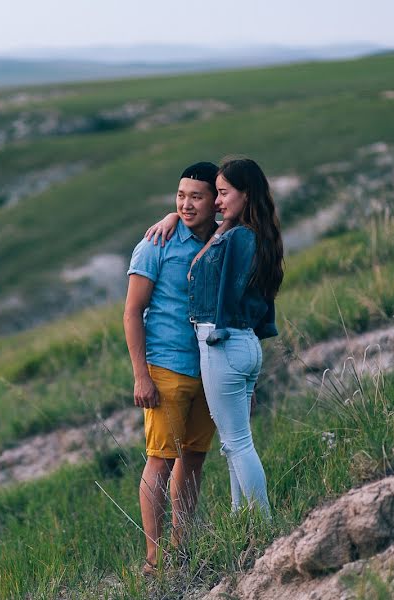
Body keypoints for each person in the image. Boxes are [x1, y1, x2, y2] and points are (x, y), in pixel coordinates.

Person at [145, 157, 283, 516]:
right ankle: (243, 519)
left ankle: (263, 521)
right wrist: (174, 217)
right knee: (235, 443)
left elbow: (197, 268)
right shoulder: (261, 236)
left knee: (237, 445)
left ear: (245, 195)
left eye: (223, 194)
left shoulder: (235, 239)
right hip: (248, 345)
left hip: (222, 343)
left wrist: (187, 222)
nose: (218, 203)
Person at [123, 161, 221, 575]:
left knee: (194, 458)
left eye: (195, 196)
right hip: (165, 368)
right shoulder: (156, 244)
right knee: (159, 461)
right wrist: (141, 374)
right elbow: (132, 311)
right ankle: (154, 560)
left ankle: (183, 547)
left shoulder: (222, 239)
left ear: (215, 201)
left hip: (209, 369)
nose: (185, 204)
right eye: (180, 196)